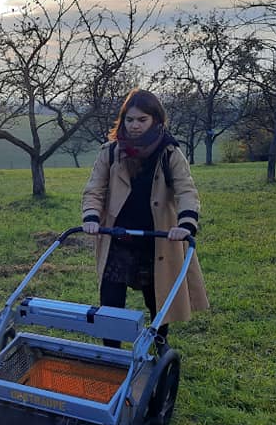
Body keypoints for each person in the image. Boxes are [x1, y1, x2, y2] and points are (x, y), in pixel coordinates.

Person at [81, 88, 208, 353]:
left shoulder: (169, 153)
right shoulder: (111, 152)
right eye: (129, 119)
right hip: (117, 237)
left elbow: (186, 191)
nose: (135, 126)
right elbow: (94, 189)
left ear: (156, 120)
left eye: (142, 120)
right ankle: (112, 350)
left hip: (156, 239)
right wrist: (91, 217)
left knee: (158, 296)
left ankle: (160, 341)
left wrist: (185, 225)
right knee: (111, 299)